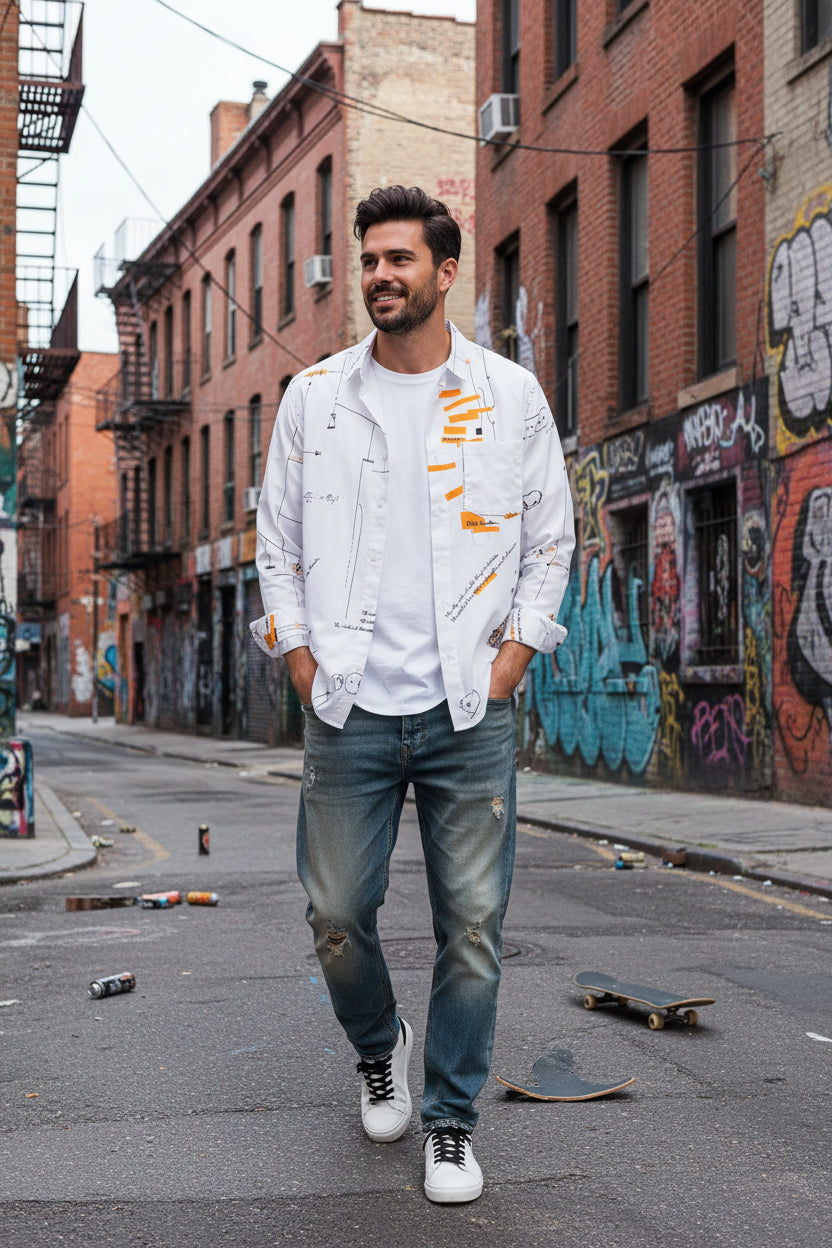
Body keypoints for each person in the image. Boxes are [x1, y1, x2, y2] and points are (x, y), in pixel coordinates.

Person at [251, 185, 574, 1203]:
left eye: (401, 259)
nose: (380, 275)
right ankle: (378, 1041)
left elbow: (549, 540)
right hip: (347, 706)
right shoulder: (315, 399)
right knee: (336, 915)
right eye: (370, 260)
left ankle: (449, 1121)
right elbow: (277, 547)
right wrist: (301, 662)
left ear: (446, 272)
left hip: (465, 713)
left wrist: (512, 658)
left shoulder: (509, 396)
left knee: (471, 926)